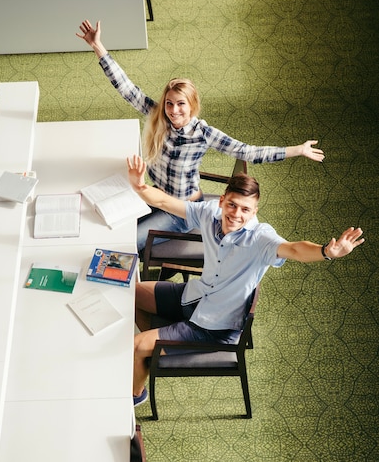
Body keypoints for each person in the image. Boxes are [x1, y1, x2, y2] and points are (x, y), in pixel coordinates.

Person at [126, 155, 364, 406]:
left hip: (214, 327)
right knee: (130, 293)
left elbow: (294, 249)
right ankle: (152, 351)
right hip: (195, 296)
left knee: (136, 346)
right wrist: (140, 186)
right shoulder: (208, 213)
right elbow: (166, 201)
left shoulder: (261, 238)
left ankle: (136, 391)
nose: (236, 214)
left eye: (245, 209)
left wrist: (326, 252)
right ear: (222, 201)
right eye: (232, 205)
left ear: (255, 212)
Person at [76, 20, 325, 252]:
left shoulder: (203, 134)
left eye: (181, 104)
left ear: (192, 105)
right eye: (170, 103)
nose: (174, 111)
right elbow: (126, 87)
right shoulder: (158, 116)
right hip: (153, 194)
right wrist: (97, 45)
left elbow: (248, 152)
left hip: (180, 211)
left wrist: (297, 150)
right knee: (107, 225)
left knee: (126, 243)